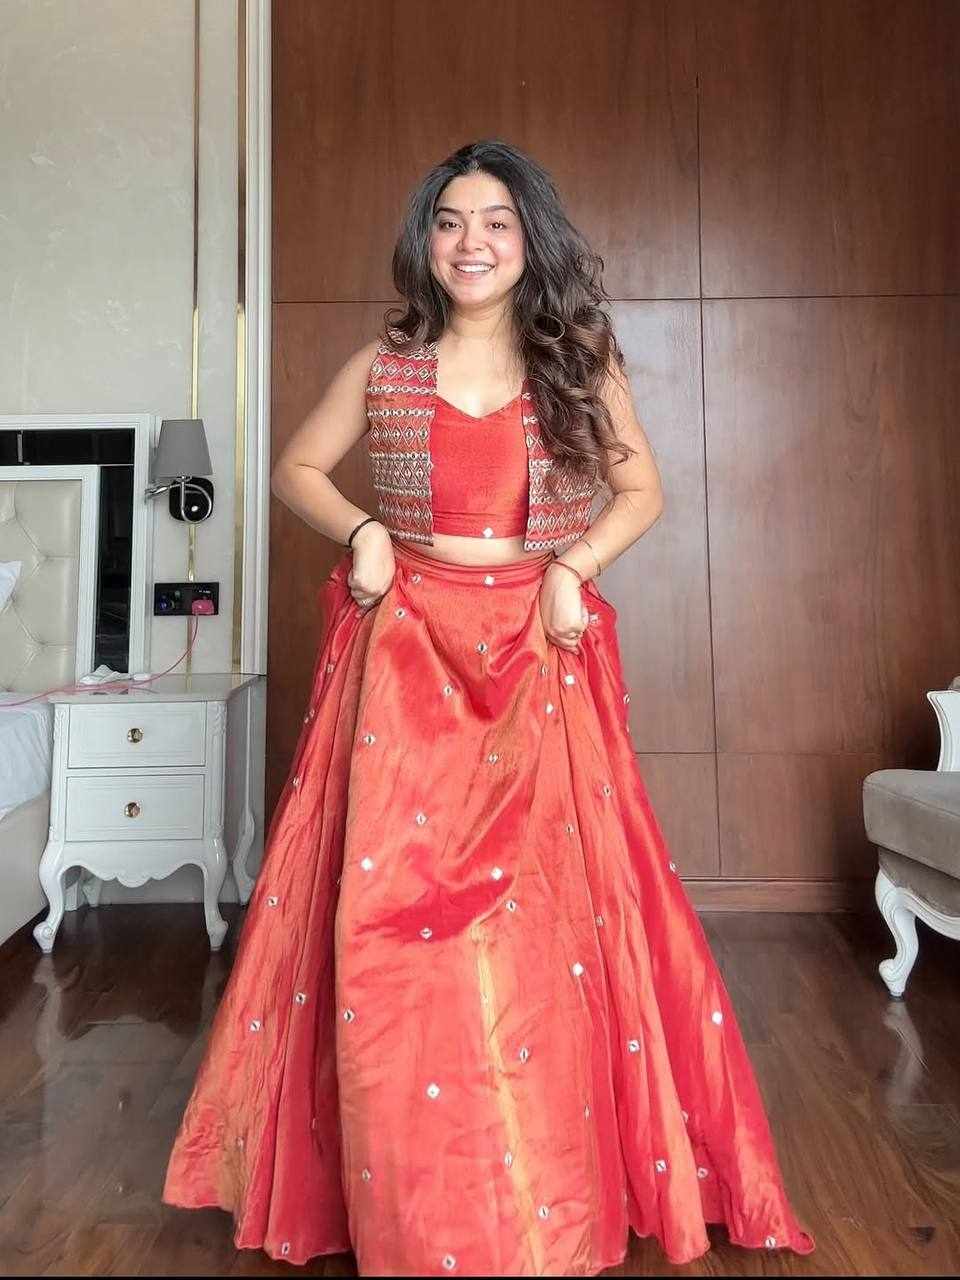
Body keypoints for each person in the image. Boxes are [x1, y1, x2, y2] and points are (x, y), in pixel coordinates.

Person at [162, 139, 816, 1275]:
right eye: (451, 221)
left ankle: (540, 1198)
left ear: (529, 241)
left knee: (538, 926)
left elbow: (641, 489)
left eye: (497, 222)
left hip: (534, 652)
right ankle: (421, 1210)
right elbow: (295, 470)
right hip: (408, 654)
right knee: (393, 931)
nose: (472, 242)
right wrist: (364, 530)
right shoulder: (386, 366)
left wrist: (575, 566)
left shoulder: (578, 362)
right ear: (426, 241)